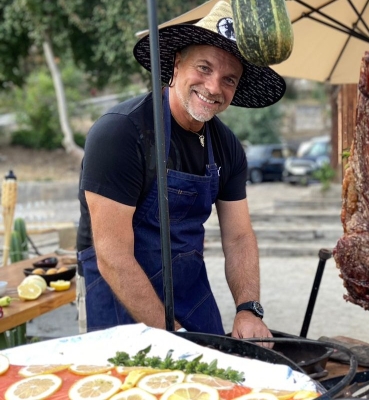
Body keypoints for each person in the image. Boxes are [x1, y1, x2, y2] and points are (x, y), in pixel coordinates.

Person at [75, 1, 286, 343]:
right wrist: (171, 336)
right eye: (204, 68)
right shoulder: (121, 133)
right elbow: (112, 255)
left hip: (190, 290)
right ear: (175, 64)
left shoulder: (227, 147)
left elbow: (239, 237)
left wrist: (248, 308)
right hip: (118, 290)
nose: (214, 87)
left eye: (228, 79)